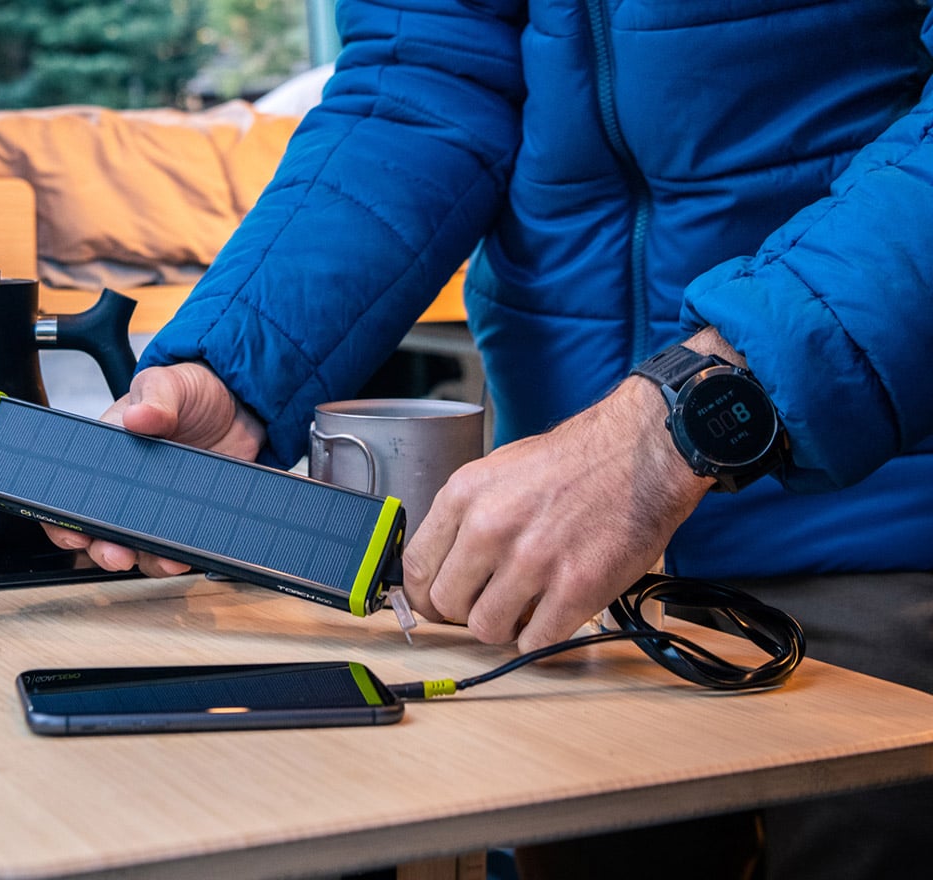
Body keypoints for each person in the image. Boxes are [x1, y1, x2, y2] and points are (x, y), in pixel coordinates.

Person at [45, 1, 933, 876]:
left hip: (883, 528)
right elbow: (421, 83)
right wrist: (239, 377)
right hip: (563, 572)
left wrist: (672, 426)